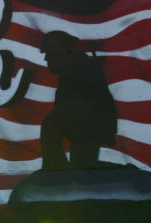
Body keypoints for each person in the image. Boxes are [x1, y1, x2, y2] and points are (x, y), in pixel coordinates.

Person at [38, 30, 117, 171]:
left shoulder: (78, 69)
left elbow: (86, 107)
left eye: (49, 54)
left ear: (60, 53)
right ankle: (55, 169)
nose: (46, 59)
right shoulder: (71, 71)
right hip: (83, 126)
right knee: (81, 167)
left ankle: (125, 172)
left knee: (82, 168)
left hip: (88, 127)